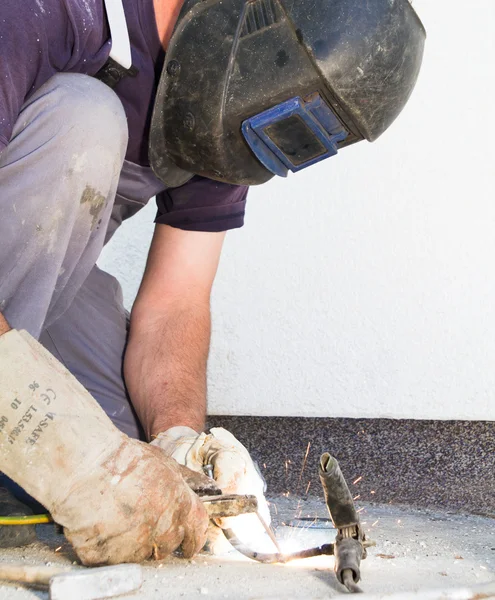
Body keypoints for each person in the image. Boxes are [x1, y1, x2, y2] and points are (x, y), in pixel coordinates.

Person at [0, 0, 425, 564]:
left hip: (24, 286)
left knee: (131, 470)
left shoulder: (218, 105)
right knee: (87, 117)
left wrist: (181, 445)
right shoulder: (47, 11)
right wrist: (49, 443)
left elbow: (175, 303)